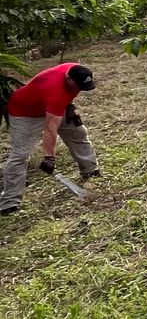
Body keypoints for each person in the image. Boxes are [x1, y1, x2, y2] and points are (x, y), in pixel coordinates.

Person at [1, 63, 99, 216]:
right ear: (68, 78)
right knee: (20, 155)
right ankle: (9, 202)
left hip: (55, 106)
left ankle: (91, 171)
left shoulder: (76, 72)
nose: (78, 90)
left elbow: (68, 94)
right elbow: (50, 129)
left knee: (78, 133)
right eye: (77, 86)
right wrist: (49, 157)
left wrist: (70, 106)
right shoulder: (55, 91)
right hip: (25, 113)